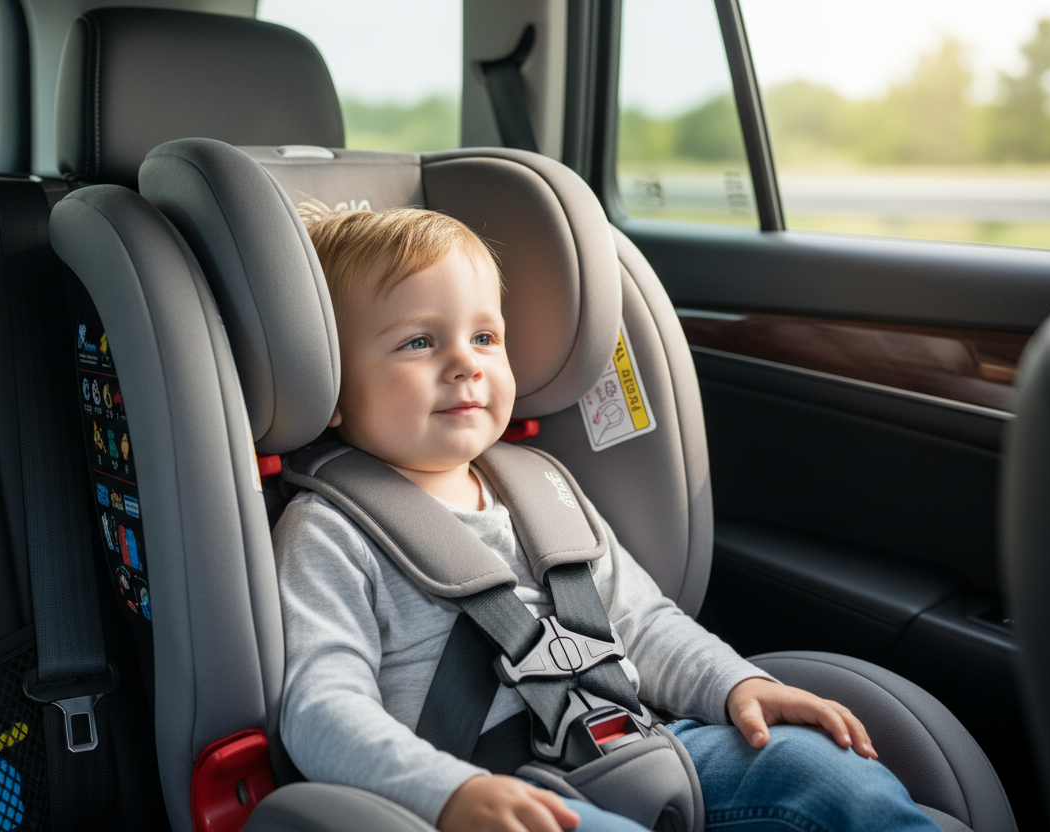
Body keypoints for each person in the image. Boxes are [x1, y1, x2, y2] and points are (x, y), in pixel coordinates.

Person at [274, 204, 940, 832]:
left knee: (825, 775)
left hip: (641, 746)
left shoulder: (541, 489)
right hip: (490, 790)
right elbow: (322, 708)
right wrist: (447, 794)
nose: (465, 364)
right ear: (330, 387)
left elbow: (644, 625)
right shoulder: (328, 532)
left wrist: (736, 684)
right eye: (419, 341)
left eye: (484, 336)